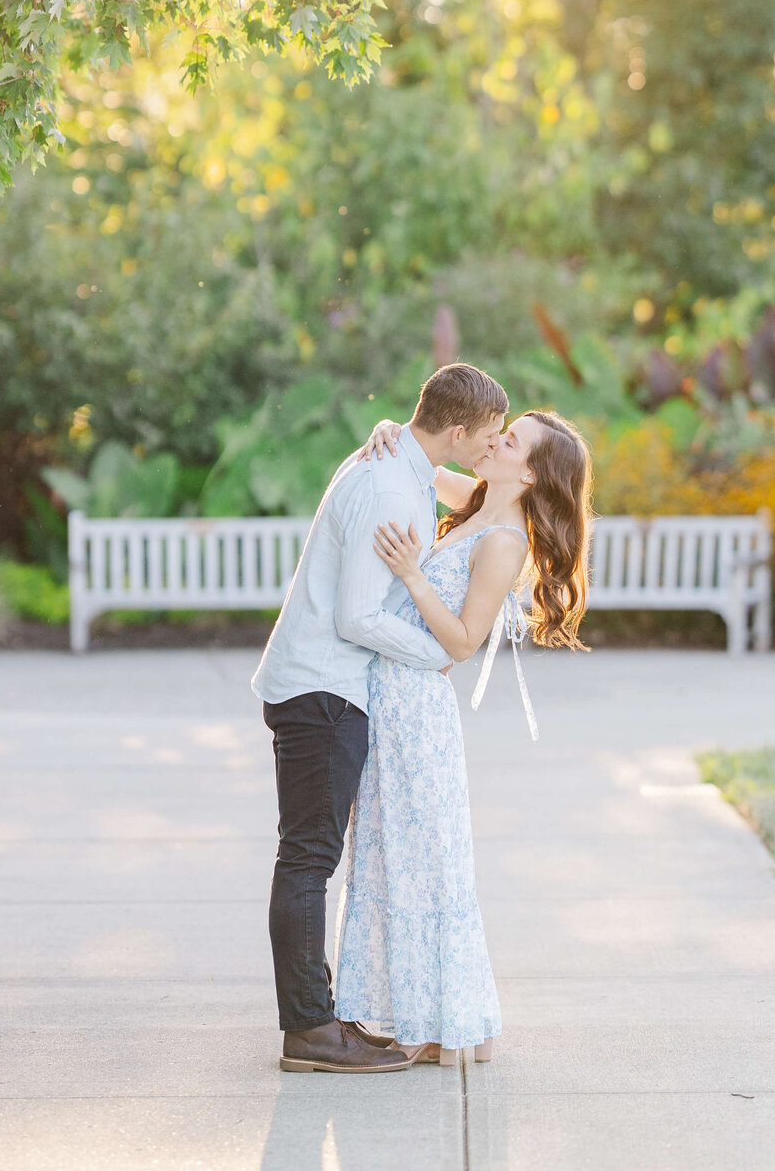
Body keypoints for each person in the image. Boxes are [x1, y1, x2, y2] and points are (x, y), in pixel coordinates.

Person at [250, 362, 509, 1074]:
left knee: (310, 855)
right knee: (308, 858)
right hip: (322, 692)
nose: (492, 447)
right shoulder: (394, 485)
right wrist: (433, 654)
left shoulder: (404, 466)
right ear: (456, 430)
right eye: (487, 435)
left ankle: (322, 1020)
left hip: (326, 687)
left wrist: (392, 427)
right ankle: (309, 1030)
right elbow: (358, 615)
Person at [333, 407, 592, 1066]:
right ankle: (400, 1011)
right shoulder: (474, 498)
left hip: (419, 712)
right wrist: (388, 429)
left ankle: (434, 1020)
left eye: (510, 441)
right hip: (386, 701)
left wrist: (414, 576)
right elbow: (420, 461)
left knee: (424, 863)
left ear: (529, 471)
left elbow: (465, 642)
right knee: (387, 854)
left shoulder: (503, 538)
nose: (495, 441)